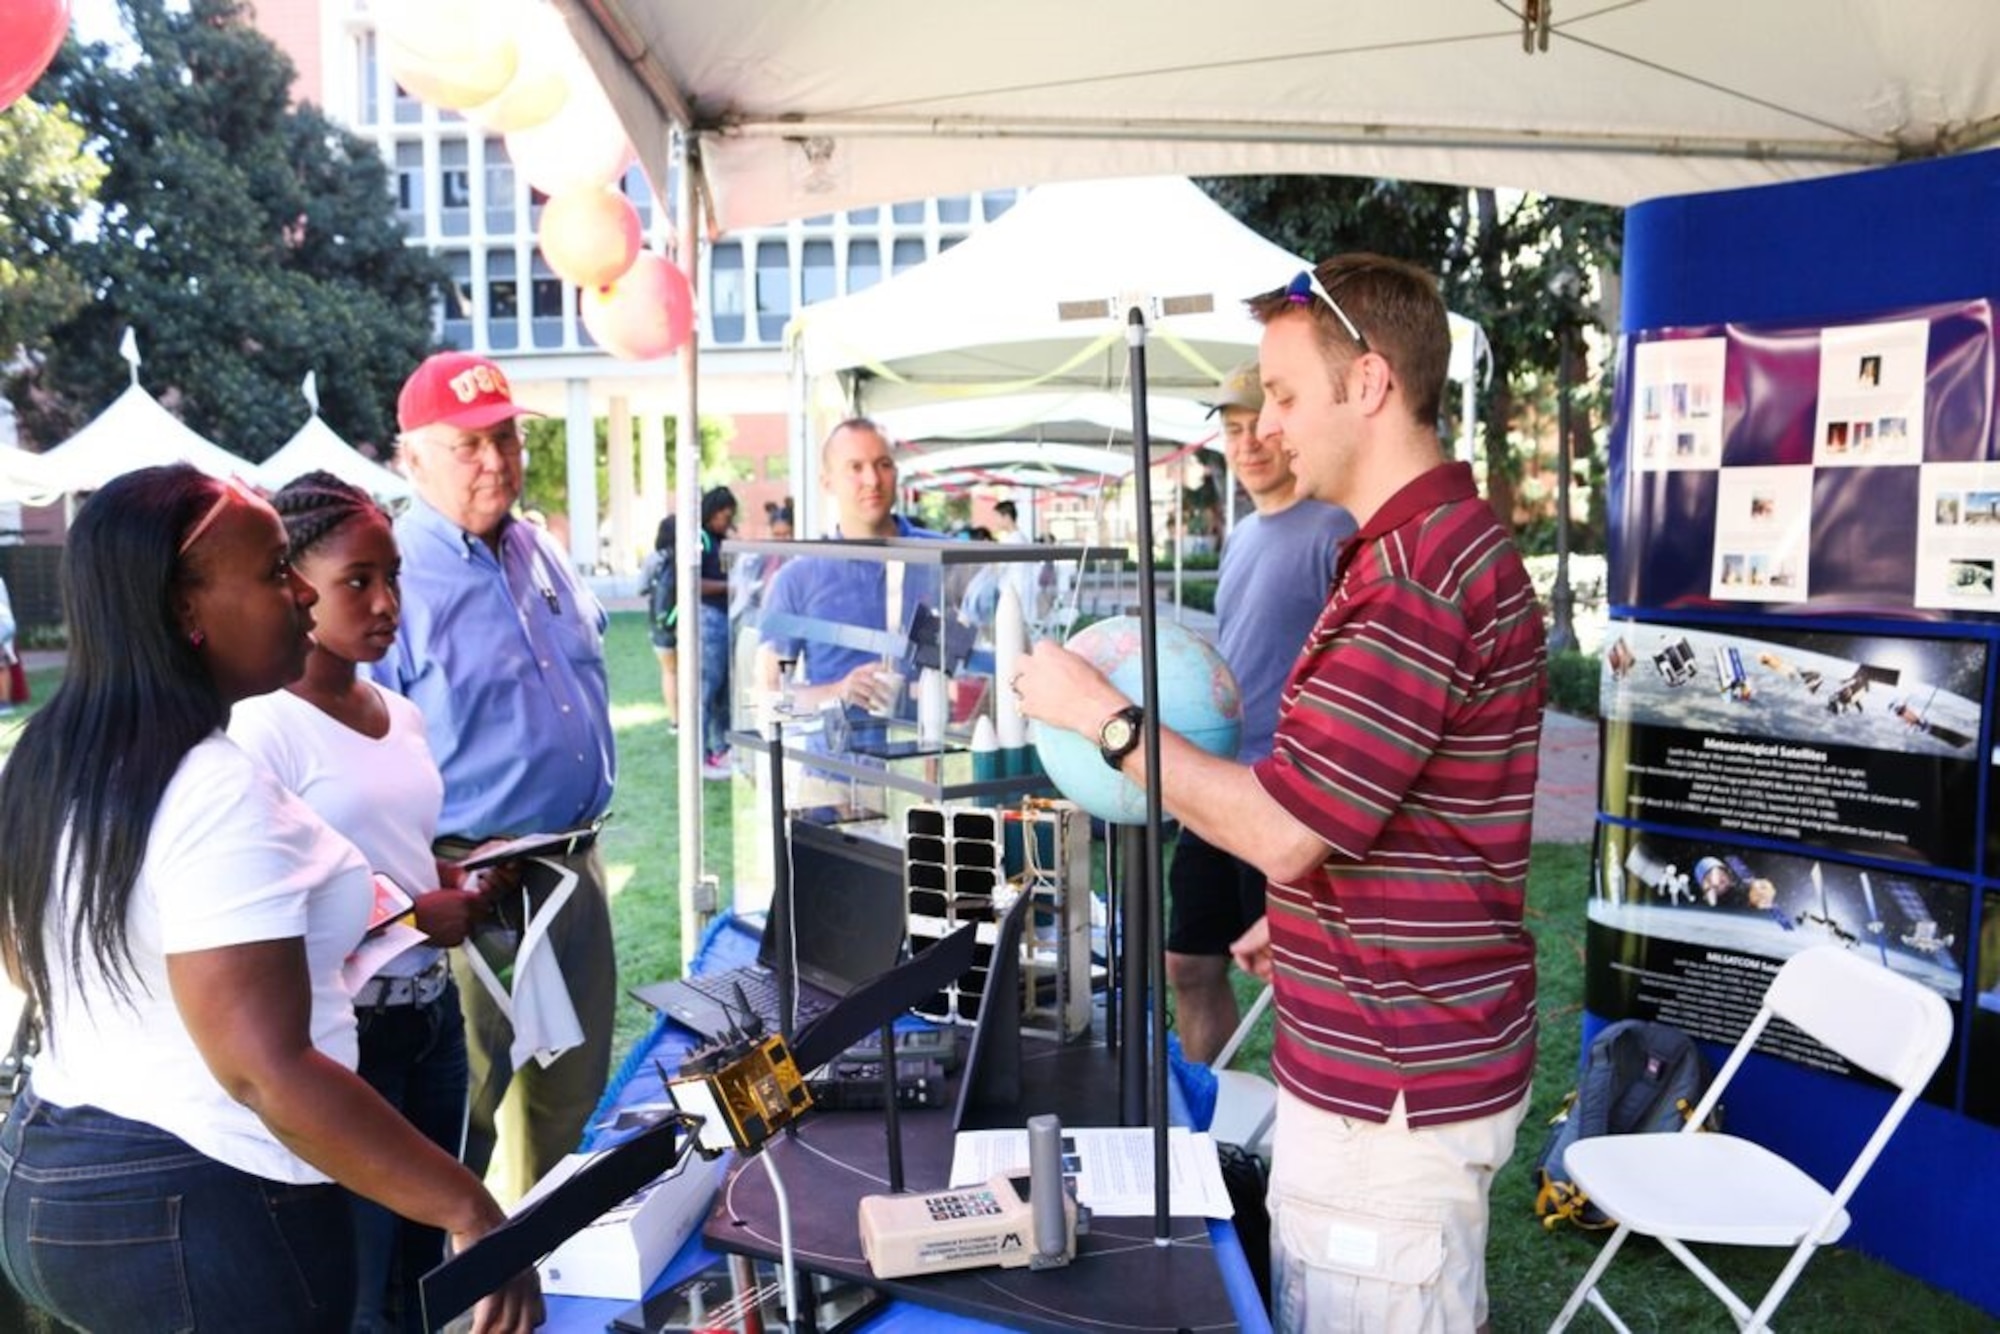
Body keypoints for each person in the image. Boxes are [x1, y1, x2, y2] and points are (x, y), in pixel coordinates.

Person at [1015, 254, 1545, 1334]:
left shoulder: (1410, 578)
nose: (1269, 422)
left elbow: (1286, 828)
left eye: (1288, 393)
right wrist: (1300, 921)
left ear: (1371, 382)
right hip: (1397, 1055)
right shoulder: (1409, 550)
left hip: (1387, 1090)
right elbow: (1372, 809)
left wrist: (1097, 716)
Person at [0, 466, 537, 1333]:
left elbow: (27, 959)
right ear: (185, 610)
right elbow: (263, 1070)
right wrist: (470, 1208)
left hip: (54, 1171)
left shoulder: (50, 756)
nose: (299, 595)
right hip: (199, 1206)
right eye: (273, 572)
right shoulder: (213, 789)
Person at [228, 472, 495, 1333]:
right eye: (358, 581)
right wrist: (415, 916)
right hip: (343, 1043)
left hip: (432, 1017)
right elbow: (257, 902)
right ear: (294, 583)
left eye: (394, 577)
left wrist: (452, 883)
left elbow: (393, 851)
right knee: (361, 1284)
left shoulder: (401, 713)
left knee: (427, 1271)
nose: (386, 603)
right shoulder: (261, 727)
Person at [369, 351, 618, 1205]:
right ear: (412, 457)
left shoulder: (537, 548)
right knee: (465, 1111)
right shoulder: (391, 577)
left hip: (573, 870)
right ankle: (454, 1296)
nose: (496, 460)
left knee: (572, 1099)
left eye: (505, 438)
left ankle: (546, 1275)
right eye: (468, 445)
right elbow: (365, 750)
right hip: (467, 882)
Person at [1166, 362, 1354, 1064]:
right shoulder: (1243, 534)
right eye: (1231, 430)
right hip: (1220, 784)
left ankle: (1293, 1132)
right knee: (1187, 963)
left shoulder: (1335, 529)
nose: (1245, 444)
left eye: (1257, 427)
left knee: (1295, 982)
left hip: (1284, 794)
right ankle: (1207, 1125)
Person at [757, 418, 944, 713]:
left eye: (883, 464)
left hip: (929, 755)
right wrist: (838, 691)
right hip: (834, 758)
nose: (872, 479)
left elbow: (983, 665)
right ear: (827, 482)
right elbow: (770, 694)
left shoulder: (944, 560)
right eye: (855, 467)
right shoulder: (797, 578)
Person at [694, 486, 738, 778]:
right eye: (723, 516)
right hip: (709, 618)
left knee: (724, 690)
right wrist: (729, 586)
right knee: (708, 689)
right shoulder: (700, 540)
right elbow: (694, 582)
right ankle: (700, 754)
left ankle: (721, 748)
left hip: (726, 617)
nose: (727, 521)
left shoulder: (722, 540)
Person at [647, 514, 681, 727]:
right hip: (684, 625)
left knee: (669, 672)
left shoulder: (655, 558)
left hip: (660, 625)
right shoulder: (690, 556)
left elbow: (641, 586)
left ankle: (674, 720)